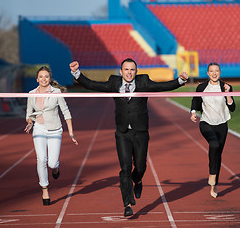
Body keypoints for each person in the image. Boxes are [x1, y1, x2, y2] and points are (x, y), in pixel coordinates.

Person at [69, 58, 188, 217]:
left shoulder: (144, 82)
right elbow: (91, 84)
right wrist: (77, 73)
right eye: (126, 69)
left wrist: (180, 80)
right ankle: (127, 204)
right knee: (125, 168)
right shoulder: (113, 83)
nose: (129, 72)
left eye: (132, 70)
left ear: (136, 71)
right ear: (121, 71)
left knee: (140, 166)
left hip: (141, 132)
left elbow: (162, 86)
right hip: (122, 133)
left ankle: (138, 181)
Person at [24, 66, 78, 206]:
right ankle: (45, 188)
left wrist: (71, 132)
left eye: (46, 76)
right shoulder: (31, 93)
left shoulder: (56, 92)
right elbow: (29, 113)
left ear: (50, 78)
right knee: (41, 159)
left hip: (55, 129)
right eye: (41, 77)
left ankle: (56, 168)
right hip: (39, 129)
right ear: (37, 79)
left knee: (52, 162)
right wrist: (30, 122)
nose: (43, 79)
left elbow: (65, 112)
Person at [190, 62, 235, 198]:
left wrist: (227, 94)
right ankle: (212, 174)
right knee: (213, 145)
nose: (214, 73)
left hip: (222, 124)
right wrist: (193, 112)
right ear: (208, 73)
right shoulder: (201, 87)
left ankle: (213, 183)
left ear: (220, 72)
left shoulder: (226, 87)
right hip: (206, 122)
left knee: (217, 155)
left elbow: (232, 108)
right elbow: (195, 102)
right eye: (211, 71)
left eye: (217, 71)